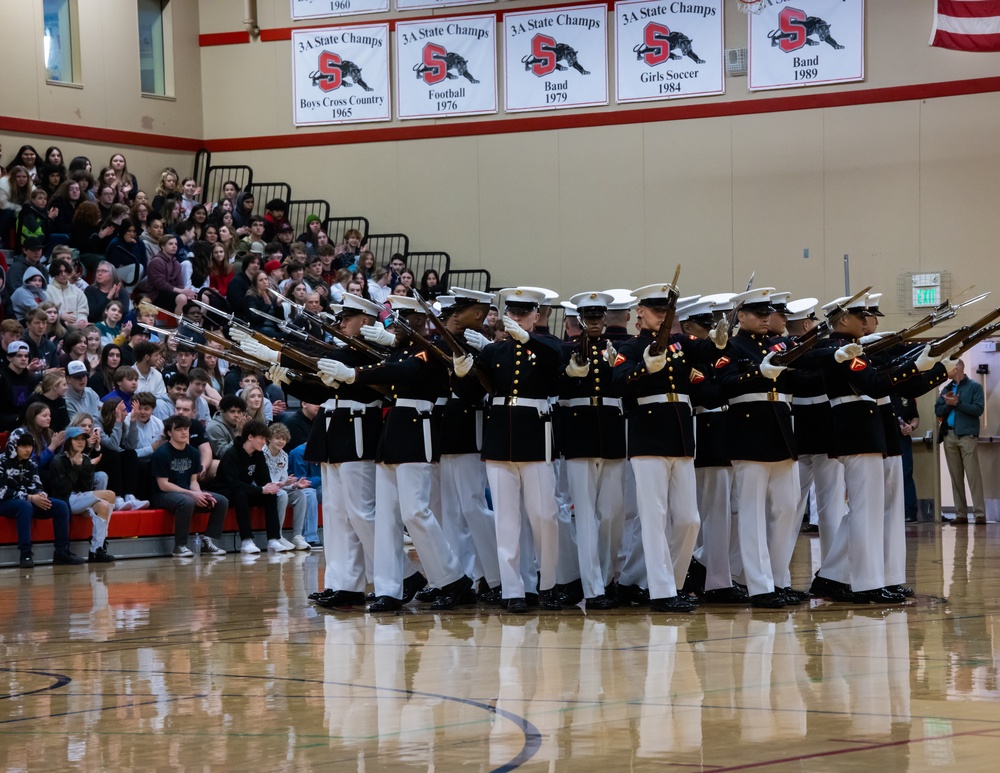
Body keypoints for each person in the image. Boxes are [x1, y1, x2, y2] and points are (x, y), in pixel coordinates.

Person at [0, 431, 83, 568]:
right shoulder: (2, 462)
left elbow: (37, 485)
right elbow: (2, 491)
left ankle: (62, 552)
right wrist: (30, 497)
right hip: (5, 503)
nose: (28, 449)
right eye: (23, 446)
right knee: (24, 506)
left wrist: (41, 495)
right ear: (13, 446)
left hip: (28, 500)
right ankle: (25, 553)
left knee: (60, 506)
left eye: (30, 446)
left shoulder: (31, 464)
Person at [151, 414, 230, 557]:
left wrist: (199, 493)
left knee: (221, 500)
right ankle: (180, 546)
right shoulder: (161, 453)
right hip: (163, 495)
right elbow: (163, 485)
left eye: (186, 429)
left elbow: (193, 481)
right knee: (186, 502)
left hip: (187, 492)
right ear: (169, 433)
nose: (183, 432)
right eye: (179, 429)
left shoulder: (193, 452)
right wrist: (191, 494)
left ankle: (208, 541)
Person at [215, 420, 288, 554]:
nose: (264, 442)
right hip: (225, 491)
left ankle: (273, 539)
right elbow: (234, 484)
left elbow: (265, 480)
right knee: (241, 495)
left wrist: (269, 487)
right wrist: (261, 489)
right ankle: (246, 540)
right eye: (261, 438)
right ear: (250, 437)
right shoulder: (231, 454)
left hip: (244, 489)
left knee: (270, 495)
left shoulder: (258, 454)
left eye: (265, 439)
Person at [48, 426, 117, 563]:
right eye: (76, 439)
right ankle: (101, 541)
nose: (80, 442)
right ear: (68, 442)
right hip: (65, 500)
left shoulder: (85, 459)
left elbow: (86, 487)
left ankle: (96, 550)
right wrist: (76, 468)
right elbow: (63, 489)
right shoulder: (58, 460)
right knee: (110, 495)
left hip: (80, 498)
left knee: (103, 505)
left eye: (83, 439)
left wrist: (88, 468)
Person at [935, 358, 987, 524]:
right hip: (949, 436)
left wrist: (958, 403)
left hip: (967, 436)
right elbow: (938, 410)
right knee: (955, 477)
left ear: (958, 368)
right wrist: (949, 404)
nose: (948, 371)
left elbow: (978, 409)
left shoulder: (974, 387)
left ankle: (979, 514)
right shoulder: (947, 388)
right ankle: (961, 514)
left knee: (973, 476)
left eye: (950, 368)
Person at [263, 423, 315, 550]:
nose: (281, 441)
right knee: (282, 494)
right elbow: (265, 482)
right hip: (264, 490)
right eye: (278, 438)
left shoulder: (284, 456)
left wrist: (295, 485)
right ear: (269, 438)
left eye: (284, 439)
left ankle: (297, 536)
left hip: (279, 489)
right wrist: (283, 484)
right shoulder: (261, 454)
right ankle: (277, 536)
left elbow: (283, 482)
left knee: (300, 494)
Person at [0, 341, 42, 431]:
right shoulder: (2, 376)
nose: (24, 359)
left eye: (26, 356)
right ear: (9, 357)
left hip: (26, 420)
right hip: (5, 421)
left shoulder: (31, 379)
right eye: (19, 356)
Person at [45, 257, 90, 329]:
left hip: (77, 330)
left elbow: (83, 311)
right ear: (54, 273)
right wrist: (60, 315)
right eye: (59, 272)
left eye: (65, 271)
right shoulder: (47, 290)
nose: (63, 274)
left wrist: (81, 321)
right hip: (54, 328)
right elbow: (46, 311)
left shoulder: (78, 292)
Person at [206, 394, 247, 459]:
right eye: (232, 411)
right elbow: (224, 454)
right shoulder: (214, 427)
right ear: (223, 412)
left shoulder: (240, 424)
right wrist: (239, 434)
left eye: (239, 412)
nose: (236, 415)